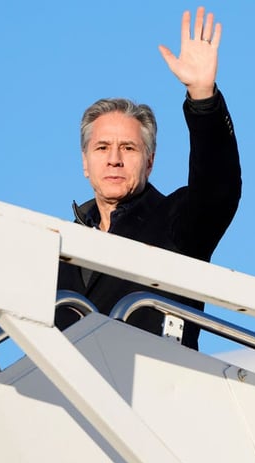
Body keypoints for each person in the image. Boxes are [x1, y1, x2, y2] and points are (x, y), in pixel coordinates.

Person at [55, 7, 241, 350]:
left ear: (150, 162)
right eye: (102, 148)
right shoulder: (59, 247)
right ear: (85, 162)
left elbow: (218, 188)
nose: (114, 159)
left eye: (128, 148)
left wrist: (203, 97)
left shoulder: (175, 223)